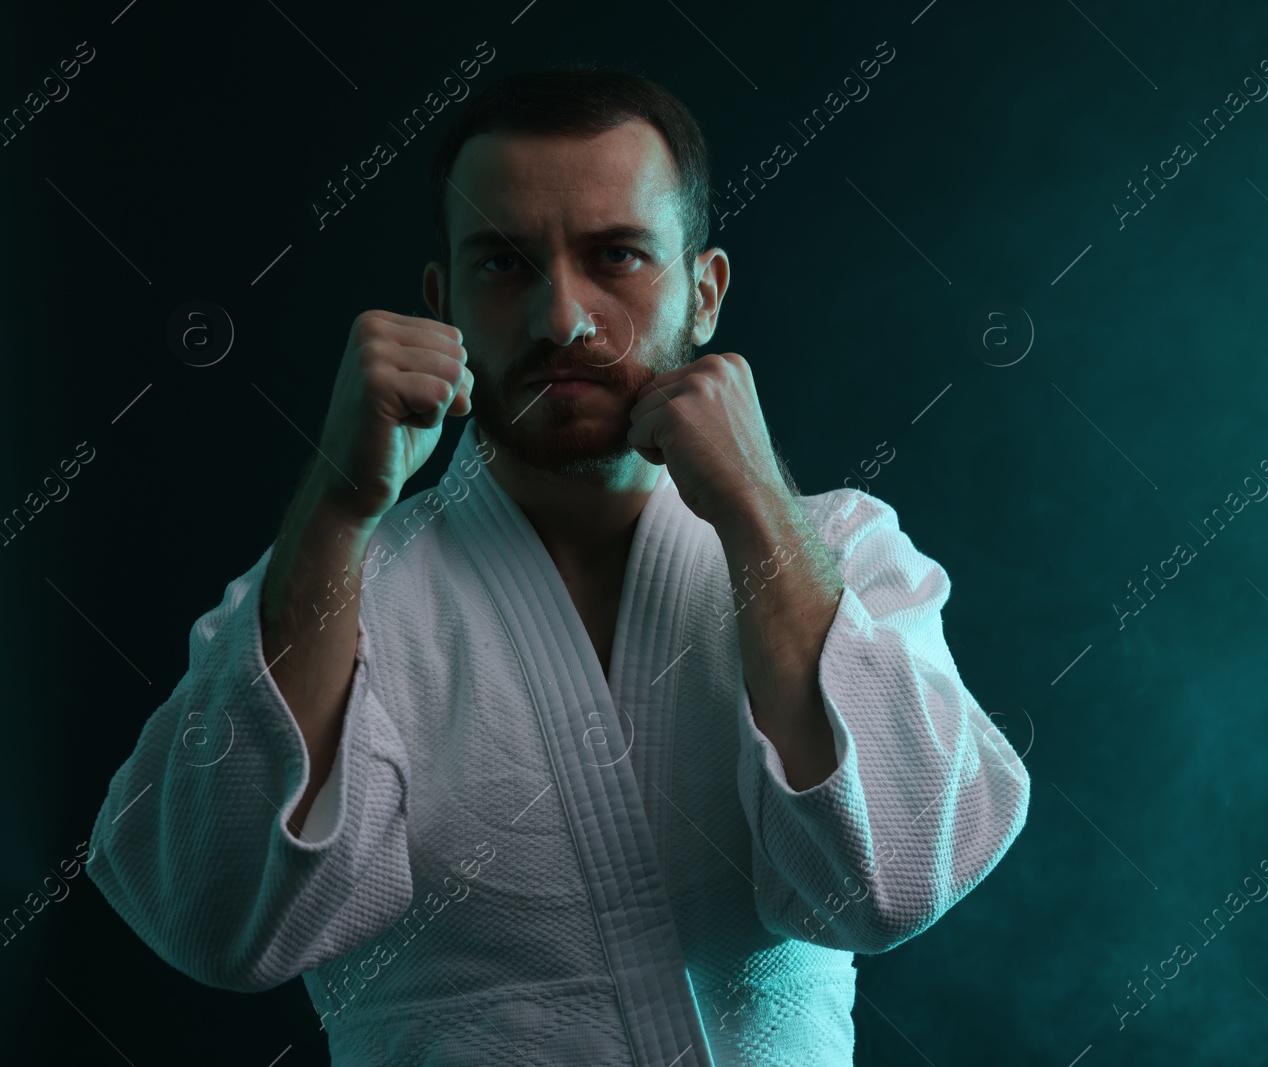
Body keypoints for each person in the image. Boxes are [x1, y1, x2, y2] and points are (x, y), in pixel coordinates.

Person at [86, 65, 1030, 1066]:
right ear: (439, 302)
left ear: (704, 293)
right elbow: (216, 921)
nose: (561, 319)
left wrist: (755, 507)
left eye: (616, 254)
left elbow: (892, 882)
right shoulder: (338, 583)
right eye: (503, 264)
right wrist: (333, 506)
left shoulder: (837, 545)